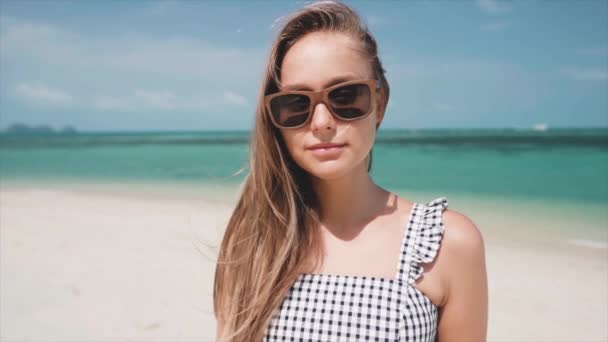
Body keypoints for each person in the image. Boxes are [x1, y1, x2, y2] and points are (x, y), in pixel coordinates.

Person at [213, 1, 488, 341]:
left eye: (345, 96)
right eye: (296, 103)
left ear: (380, 102)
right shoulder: (256, 240)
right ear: (275, 118)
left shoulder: (445, 243)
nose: (322, 122)